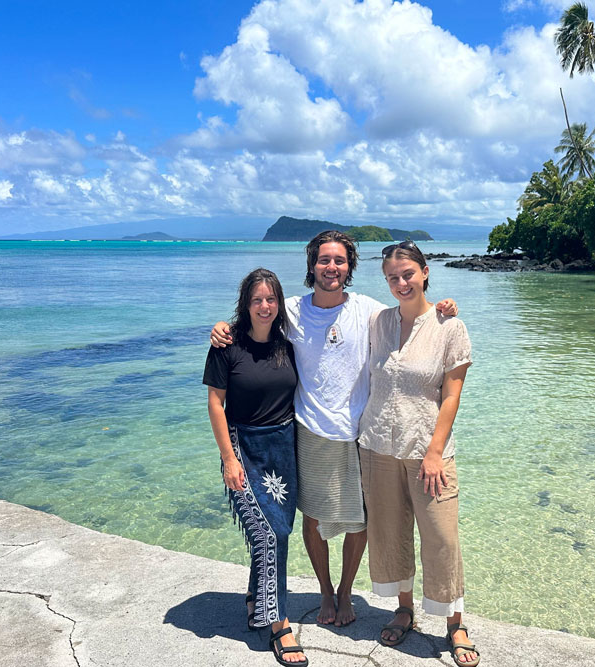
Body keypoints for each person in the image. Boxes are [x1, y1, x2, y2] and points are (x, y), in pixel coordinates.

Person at [211, 230, 458, 627]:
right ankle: (325, 591)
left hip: (360, 432)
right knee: (314, 519)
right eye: (324, 260)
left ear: (350, 267)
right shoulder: (290, 310)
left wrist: (442, 306)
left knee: (360, 521)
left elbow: (411, 312)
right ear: (311, 266)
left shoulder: (368, 310)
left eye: (339, 260)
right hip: (309, 429)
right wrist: (223, 326)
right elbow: (256, 317)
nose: (332, 267)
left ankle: (346, 592)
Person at [357, 240, 479, 667]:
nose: (401, 283)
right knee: (389, 533)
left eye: (408, 274)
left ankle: (454, 622)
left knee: (442, 537)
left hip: (429, 449)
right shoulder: (377, 322)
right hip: (376, 445)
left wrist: (434, 451)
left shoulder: (449, 326)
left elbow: (451, 395)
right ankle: (404, 608)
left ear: (425, 271)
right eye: (392, 277)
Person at [203, 268, 307, 666]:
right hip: (242, 445)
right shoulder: (226, 346)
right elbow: (215, 403)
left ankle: (254, 596)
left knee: (279, 530)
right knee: (270, 535)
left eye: (271, 299)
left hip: (283, 446)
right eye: (256, 300)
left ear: (279, 303)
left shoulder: (287, 345)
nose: (264, 306)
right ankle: (278, 622)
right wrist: (229, 458)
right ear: (245, 305)